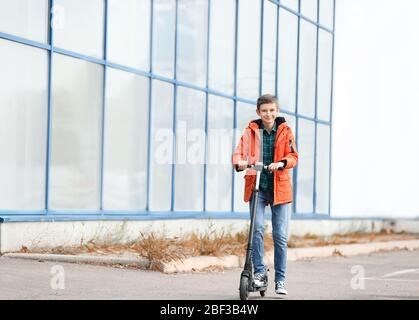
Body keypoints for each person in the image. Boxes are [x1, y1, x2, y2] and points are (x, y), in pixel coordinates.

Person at [232, 94, 298, 295]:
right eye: (264, 111)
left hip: (280, 188)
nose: (268, 114)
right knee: (257, 229)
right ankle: (260, 273)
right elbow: (239, 152)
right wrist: (240, 162)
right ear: (258, 112)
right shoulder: (251, 131)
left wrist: (282, 163)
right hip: (257, 186)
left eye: (272, 110)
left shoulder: (286, 131)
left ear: (276, 111)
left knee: (280, 235)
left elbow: (293, 156)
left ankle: (280, 279)